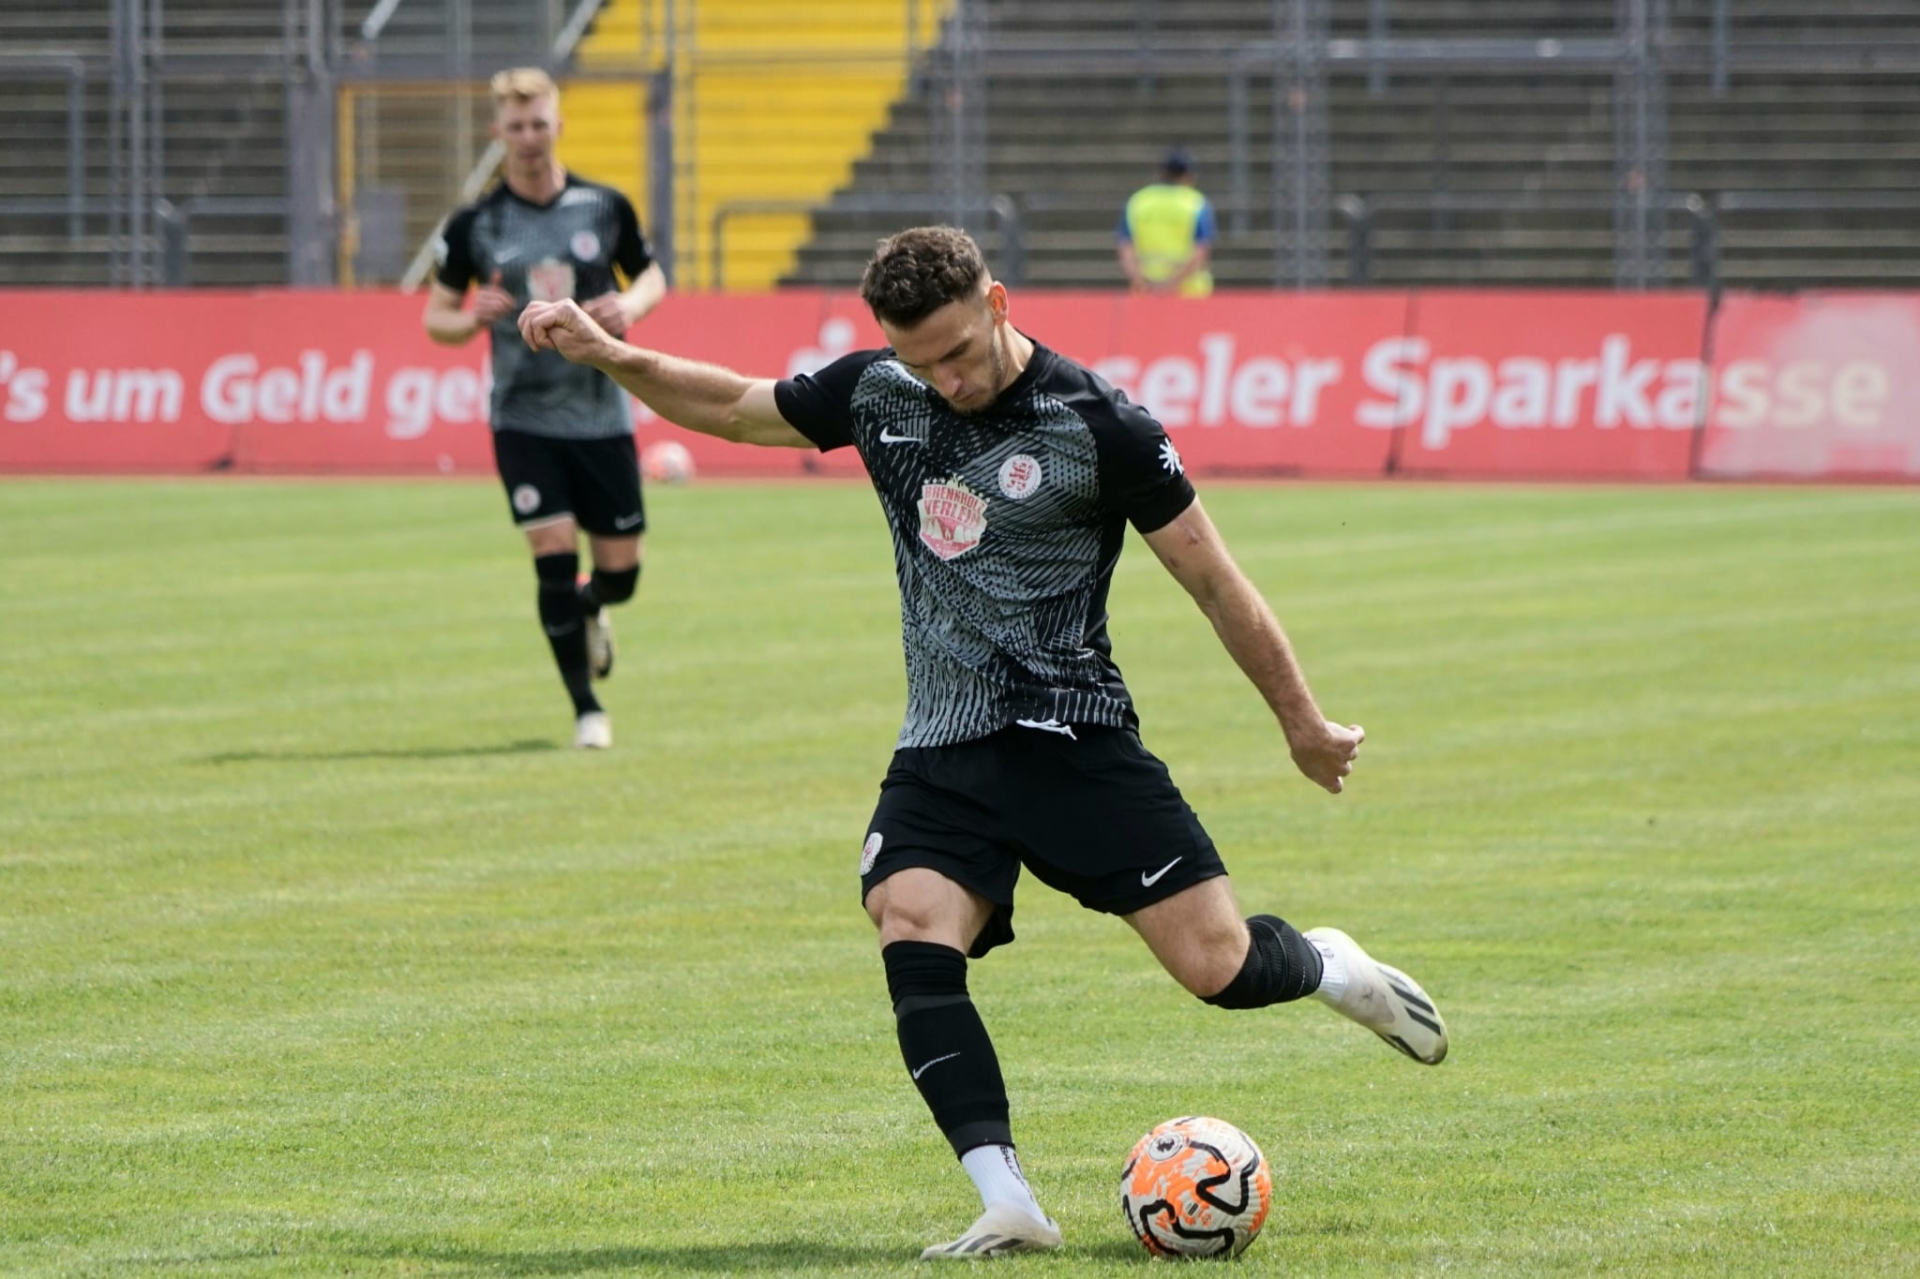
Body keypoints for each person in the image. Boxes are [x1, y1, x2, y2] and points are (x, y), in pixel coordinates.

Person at [516, 226, 1447, 1258]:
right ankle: (1008, 1197)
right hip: (945, 742)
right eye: (921, 360)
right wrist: (610, 355)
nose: (944, 379)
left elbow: (1216, 581)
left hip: (1077, 736)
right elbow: (738, 406)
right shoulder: (882, 393)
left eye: (957, 351)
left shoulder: (1101, 425)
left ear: (998, 301)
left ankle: (1328, 965)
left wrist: (1303, 723)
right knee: (909, 919)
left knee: (1218, 967)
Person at [423, 66, 668, 750]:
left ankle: (593, 607)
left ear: (558, 125)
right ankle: (587, 708)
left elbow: (652, 274)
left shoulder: (603, 206)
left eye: (539, 123)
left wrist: (632, 303)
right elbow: (434, 318)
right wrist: (472, 317)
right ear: (497, 132)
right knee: (553, 553)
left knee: (620, 574)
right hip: (523, 416)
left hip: (600, 410)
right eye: (516, 125)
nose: (528, 137)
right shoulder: (477, 224)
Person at [1116, 148, 1217, 297]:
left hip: (1146, 291)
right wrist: (1171, 285)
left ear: (1162, 173)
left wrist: (1139, 281)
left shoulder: (1138, 201)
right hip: (1189, 293)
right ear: (1188, 176)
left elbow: (1126, 248)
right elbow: (1201, 251)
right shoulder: (1196, 204)